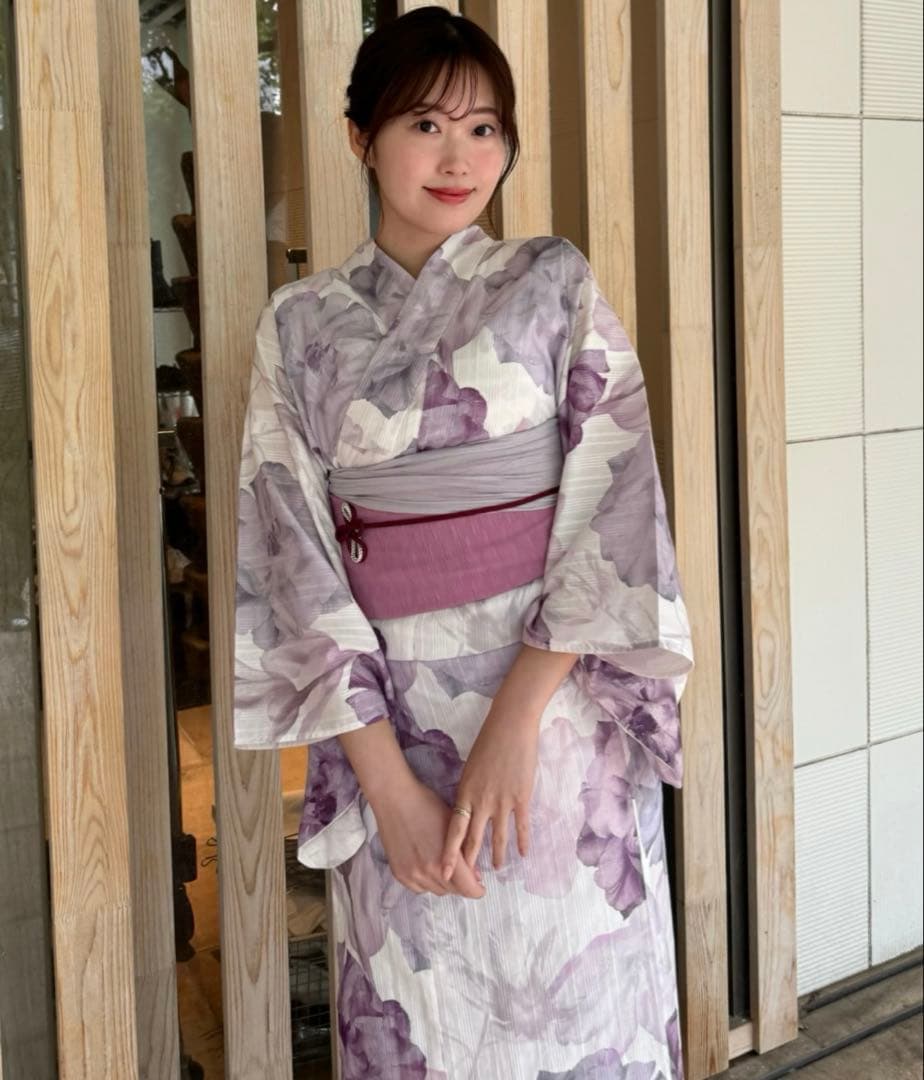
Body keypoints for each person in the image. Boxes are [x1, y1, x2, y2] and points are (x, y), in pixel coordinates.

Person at [233, 6, 693, 1077]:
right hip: (390, 721)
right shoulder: (300, 325)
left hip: (555, 716)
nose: (459, 158)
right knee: (423, 1016)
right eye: (426, 125)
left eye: (485, 130)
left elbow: (617, 498)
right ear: (361, 136)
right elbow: (292, 555)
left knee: (588, 1007)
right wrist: (389, 789)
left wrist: (516, 721)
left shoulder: (549, 279)